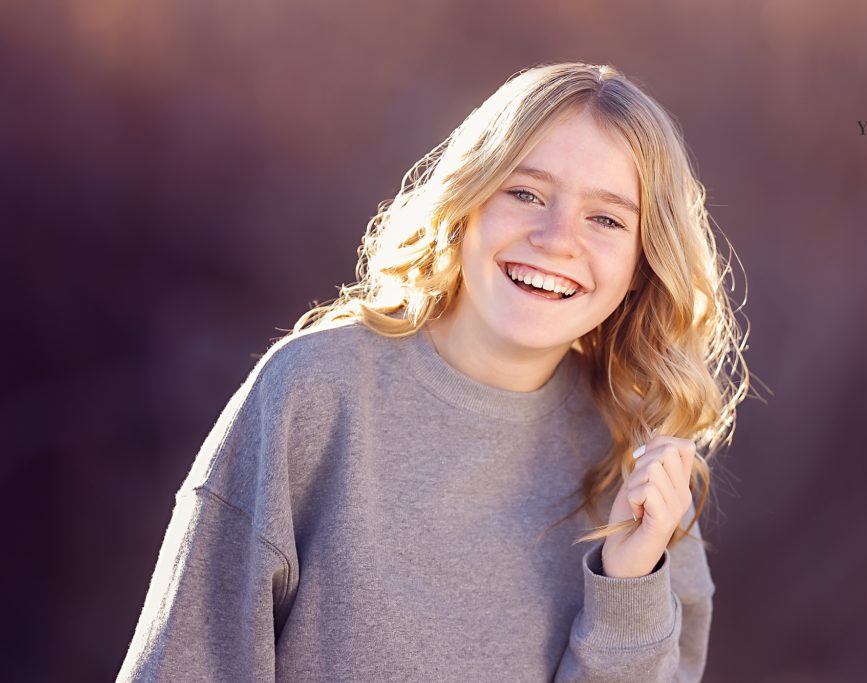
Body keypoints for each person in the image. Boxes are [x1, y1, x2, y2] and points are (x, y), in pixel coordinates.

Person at [117, 61, 751, 682]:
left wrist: (629, 585)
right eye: (524, 192)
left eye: (606, 219)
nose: (557, 239)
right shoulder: (316, 393)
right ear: (467, 200)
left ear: (643, 265)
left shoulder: (641, 469)